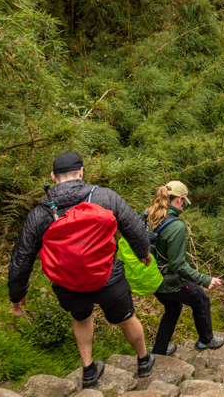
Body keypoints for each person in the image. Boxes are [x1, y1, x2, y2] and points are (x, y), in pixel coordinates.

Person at [9, 152, 155, 388]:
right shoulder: (105, 197)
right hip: (108, 278)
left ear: (53, 177)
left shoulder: (41, 212)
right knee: (126, 318)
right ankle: (144, 360)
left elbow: (22, 255)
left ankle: (88, 371)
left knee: (81, 318)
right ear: (81, 172)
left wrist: (17, 293)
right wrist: (143, 252)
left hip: (68, 285)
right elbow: (134, 228)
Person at [145, 181, 224, 354]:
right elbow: (178, 265)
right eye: (183, 202)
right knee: (201, 299)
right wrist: (205, 280)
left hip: (151, 277)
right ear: (178, 200)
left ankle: (160, 349)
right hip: (170, 282)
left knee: (173, 308)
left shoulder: (148, 217)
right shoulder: (176, 226)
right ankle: (206, 340)